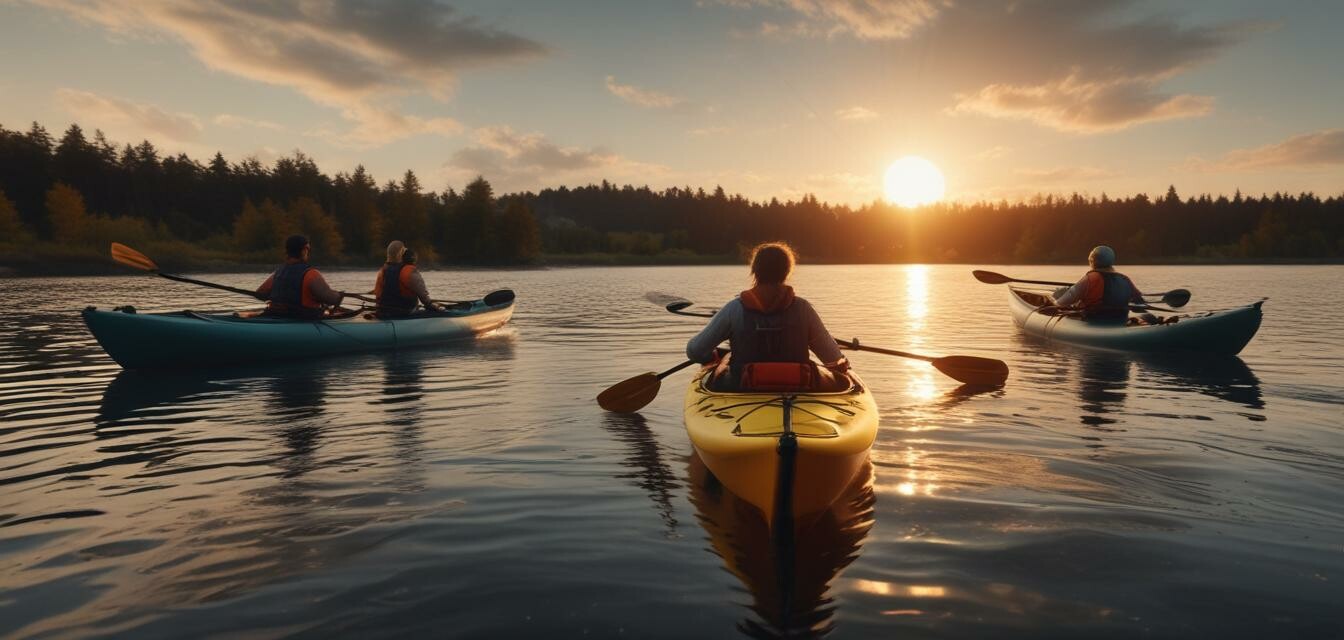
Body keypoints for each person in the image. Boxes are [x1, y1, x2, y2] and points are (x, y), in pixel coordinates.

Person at [686, 242, 848, 391]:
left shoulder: (735, 309)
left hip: (743, 389)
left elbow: (695, 351)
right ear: (787, 271)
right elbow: (833, 358)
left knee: (719, 371)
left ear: (755, 270)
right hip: (798, 387)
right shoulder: (803, 308)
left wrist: (711, 356)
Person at [256, 234, 346, 319]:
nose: (308, 252)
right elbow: (331, 299)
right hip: (300, 319)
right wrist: (339, 295)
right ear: (303, 250)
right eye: (307, 249)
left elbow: (260, 294)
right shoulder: (311, 274)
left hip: (275, 315)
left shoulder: (278, 273)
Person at [1051, 245, 1147, 322]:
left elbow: (1061, 303)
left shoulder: (1089, 279)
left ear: (1092, 261)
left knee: (1058, 295)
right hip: (1120, 319)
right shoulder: (1124, 279)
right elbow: (1140, 301)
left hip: (1095, 320)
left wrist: (1055, 300)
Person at [373, 243, 437, 315]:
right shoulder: (409, 271)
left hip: (383, 312)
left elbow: (378, 295)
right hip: (404, 313)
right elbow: (423, 296)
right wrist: (431, 306)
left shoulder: (383, 271)